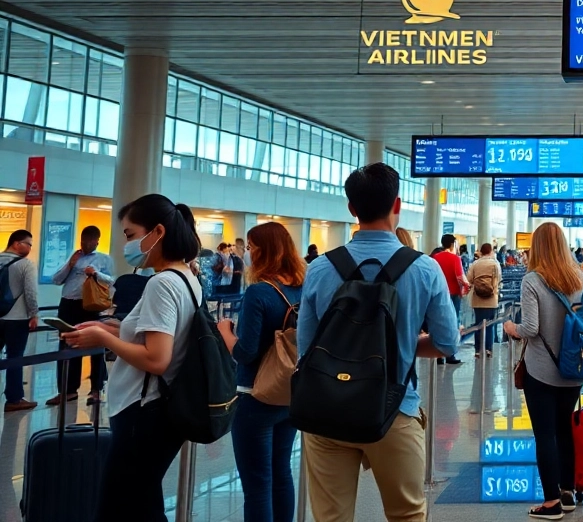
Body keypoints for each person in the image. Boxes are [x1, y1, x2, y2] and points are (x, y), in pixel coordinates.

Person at [296, 163, 460, 522]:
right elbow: (448, 344)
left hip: (326, 412)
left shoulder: (320, 268)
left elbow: (306, 348)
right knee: (407, 514)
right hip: (395, 409)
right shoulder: (424, 268)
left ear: (351, 208)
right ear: (397, 204)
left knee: (330, 518)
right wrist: (401, 346)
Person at [58, 194, 204, 521]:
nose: (127, 242)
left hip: (144, 409)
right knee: (142, 503)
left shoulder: (162, 284)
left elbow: (156, 358)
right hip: (159, 409)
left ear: (158, 232)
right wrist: (114, 328)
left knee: (117, 508)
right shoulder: (185, 277)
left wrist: (99, 337)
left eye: (130, 234)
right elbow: (159, 336)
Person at [503, 222, 583, 520]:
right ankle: (568, 492)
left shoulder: (533, 280)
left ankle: (550, 503)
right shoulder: (582, 277)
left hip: (542, 370)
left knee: (545, 434)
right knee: (564, 429)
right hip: (575, 367)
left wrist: (511, 327)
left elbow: (530, 328)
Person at [216, 221, 305, 522]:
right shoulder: (302, 288)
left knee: (257, 485)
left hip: (255, 397)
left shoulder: (259, 293)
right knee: (281, 473)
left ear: (265, 251)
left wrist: (226, 333)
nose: (249, 254)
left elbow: (246, 352)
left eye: (252, 248)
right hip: (290, 393)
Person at [49, 225, 114, 406]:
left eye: (89, 241)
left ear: (96, 241)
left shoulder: (103, 259)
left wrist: (96, 273)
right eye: (83, 241)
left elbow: (111, 280)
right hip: (68, 305)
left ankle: (96, 390)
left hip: (89, 306)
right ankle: (67, 390)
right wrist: (70, 264)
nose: (85, 244)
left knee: (95, 346)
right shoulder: (74, 257)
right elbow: (56, 279)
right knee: (67, 344)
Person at [1, 230, 39, 412]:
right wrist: (34, 314)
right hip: (16, 319)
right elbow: (31, 292)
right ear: (17, 243)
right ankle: (14, 399)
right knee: (15, 357)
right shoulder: (25, 265)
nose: (30, 248)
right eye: (28, 244)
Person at [432, 233, 468, 365]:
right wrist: (465, 289)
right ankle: (450, 354)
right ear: (453, 244)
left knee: (438, 322)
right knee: (453, 322)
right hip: (452, 294)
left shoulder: (435, 257)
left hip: (437, 293)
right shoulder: (455, 258)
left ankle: (438, 355)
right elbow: (460, 277)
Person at [467, 242, 502, 358]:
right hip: (491, 299)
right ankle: (488, 349)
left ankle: (477, 350)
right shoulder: (495, 264)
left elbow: (469, 280)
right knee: (490, 325)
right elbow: (499, 279)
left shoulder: (475, 264)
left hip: (477, 298)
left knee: (478, 324)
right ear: (491, 251)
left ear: (481, 252)